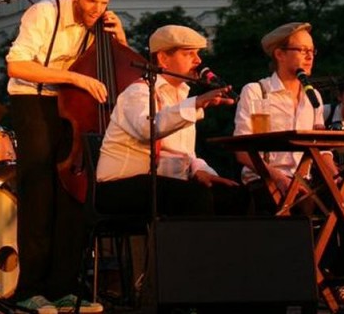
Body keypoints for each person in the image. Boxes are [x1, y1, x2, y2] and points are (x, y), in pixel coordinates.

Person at [6, 0, 128, 314]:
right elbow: (16, 66)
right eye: (91, 0)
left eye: (104, 2)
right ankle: (29, 291)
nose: (97, 8)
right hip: (33, 100)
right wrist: (74, 79)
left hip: (70, 105)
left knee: (72, 196)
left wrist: (119, 38)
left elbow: (120, 66)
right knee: (40, 193)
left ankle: (62, 288)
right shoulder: (44, 13)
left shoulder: (101, 22)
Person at [234, 22, 344, 308]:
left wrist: (338, 176)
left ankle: (339, 278)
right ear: (279, 54)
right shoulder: (256, 91)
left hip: (308, 181)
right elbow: (242, 148)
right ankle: (299, 285)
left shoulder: (311, 95)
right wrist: (276, 176)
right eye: (302, 50)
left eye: (312, 51)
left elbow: (321, 149)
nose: (309, 56)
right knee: (302, 207)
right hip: (267, 180)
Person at [96, 24, 250, 217]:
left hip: (163, 184)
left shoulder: (182, 97)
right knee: (194, 197)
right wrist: (196, 103)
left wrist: (200, 170)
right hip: (120, 187)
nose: (198, 60)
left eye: (198, 54)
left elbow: (186, 153)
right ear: (163, 58)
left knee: (235, 196)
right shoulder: (138, 92)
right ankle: (186, 248)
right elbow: (148, 130)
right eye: (188, 54)